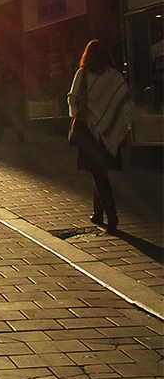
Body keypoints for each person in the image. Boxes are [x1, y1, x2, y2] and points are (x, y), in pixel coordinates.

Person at [67, 39, 134, 234]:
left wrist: (76, 112)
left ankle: (112, 217)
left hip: (89, 132)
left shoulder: (83, 74)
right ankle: (97, 213)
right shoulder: (114, 75)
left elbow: (73, 99)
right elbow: (125, 101)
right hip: (110, 132)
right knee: (99, 170)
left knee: (98, 173)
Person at [0, 56, 25, 142]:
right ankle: (20, 132)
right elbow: (17, 84)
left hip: (1, 96)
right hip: (12, 95)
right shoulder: (11, 73)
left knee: (0, 117)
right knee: (14, 115)